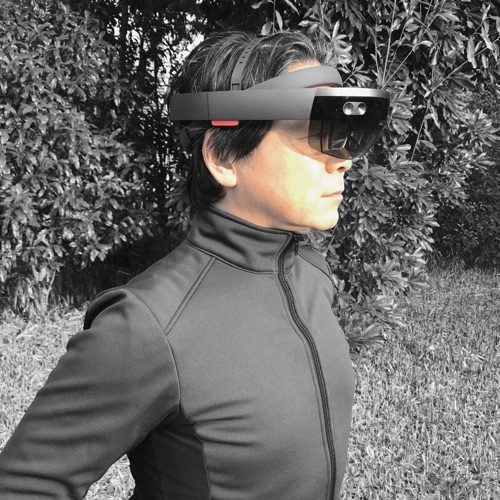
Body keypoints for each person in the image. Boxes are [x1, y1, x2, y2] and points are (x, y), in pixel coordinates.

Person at [0, 30, 357, 499]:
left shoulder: (312, 274)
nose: (342, 159)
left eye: (341, 133)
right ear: (223, 156)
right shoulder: (146, 326)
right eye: (313, 132)